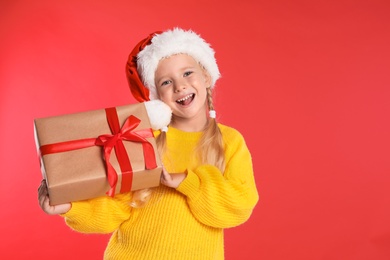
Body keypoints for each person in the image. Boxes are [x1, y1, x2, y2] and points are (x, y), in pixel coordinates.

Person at [38, 27, 259, 259]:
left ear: (205, 76)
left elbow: (239, 206)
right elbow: (115, 208)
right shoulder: (141, 138)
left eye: (187, 73)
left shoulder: (230, 142)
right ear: (155, 95)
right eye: (166, 82)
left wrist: (188, 181)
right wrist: (70, 207)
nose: (179, 86)